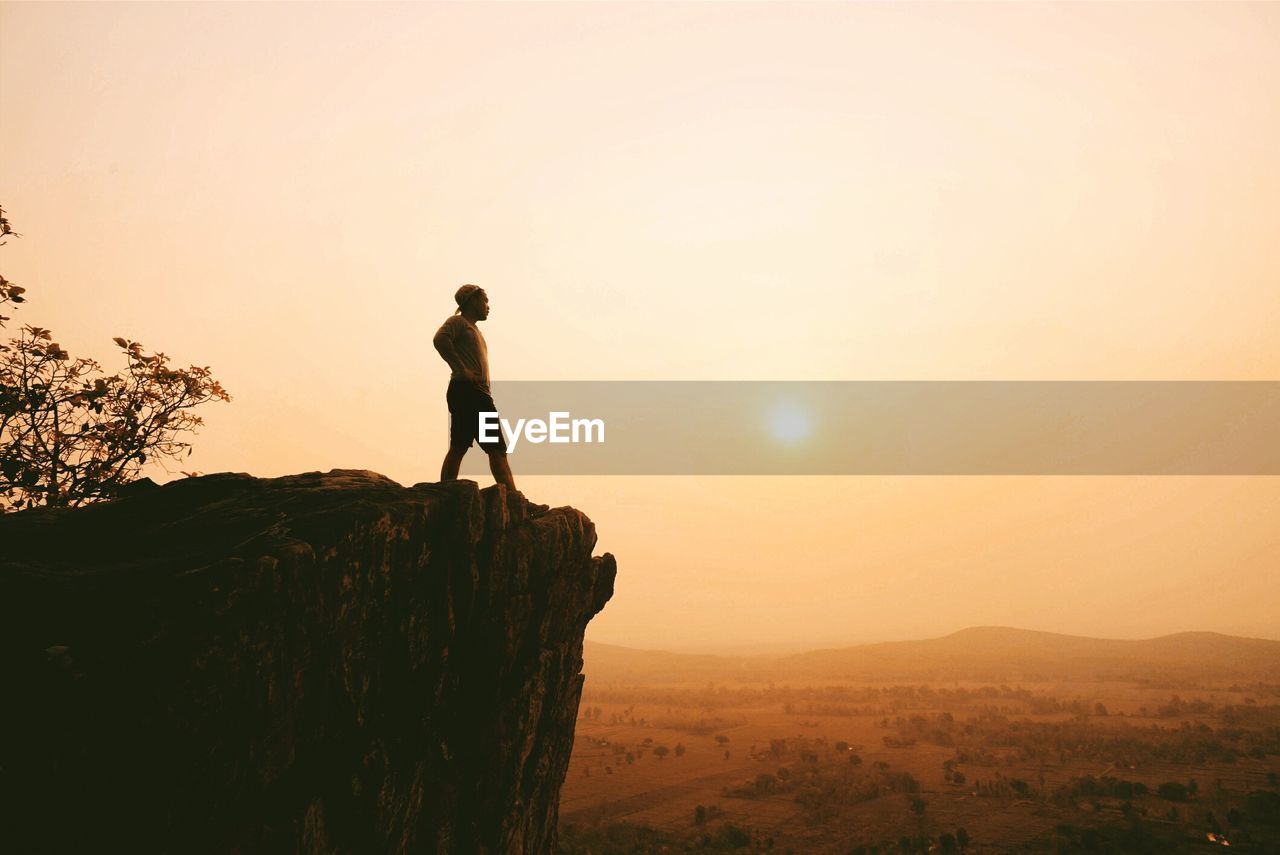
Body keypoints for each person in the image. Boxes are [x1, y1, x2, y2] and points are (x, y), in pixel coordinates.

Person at [433, 284, 518, 491]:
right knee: (496, 449)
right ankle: (514, 498)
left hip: (473, 393)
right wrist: (460, 368)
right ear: (472, 300)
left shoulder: (474, 330)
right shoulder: (458, 322)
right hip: (471, 393)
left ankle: (445, 491)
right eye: (485, 300)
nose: (488, 306)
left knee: (460, 445)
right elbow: (439, 339)